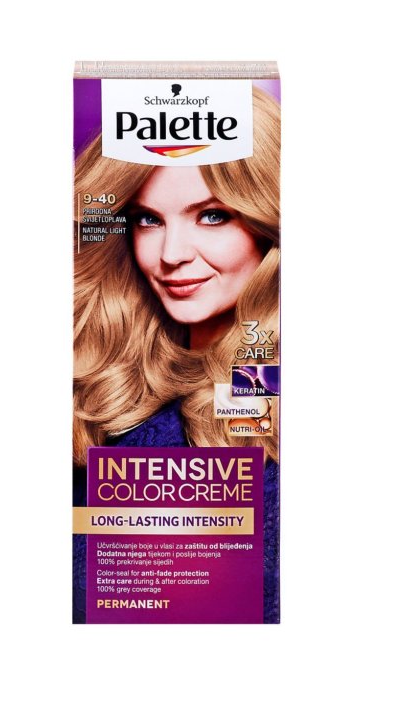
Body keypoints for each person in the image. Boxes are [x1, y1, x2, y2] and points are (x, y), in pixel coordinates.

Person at [73, 87, 280, 622]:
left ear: (269, 222)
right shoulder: (102, 383)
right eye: (148, 219)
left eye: (212, 216)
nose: (171, 255)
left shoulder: (267, 389)